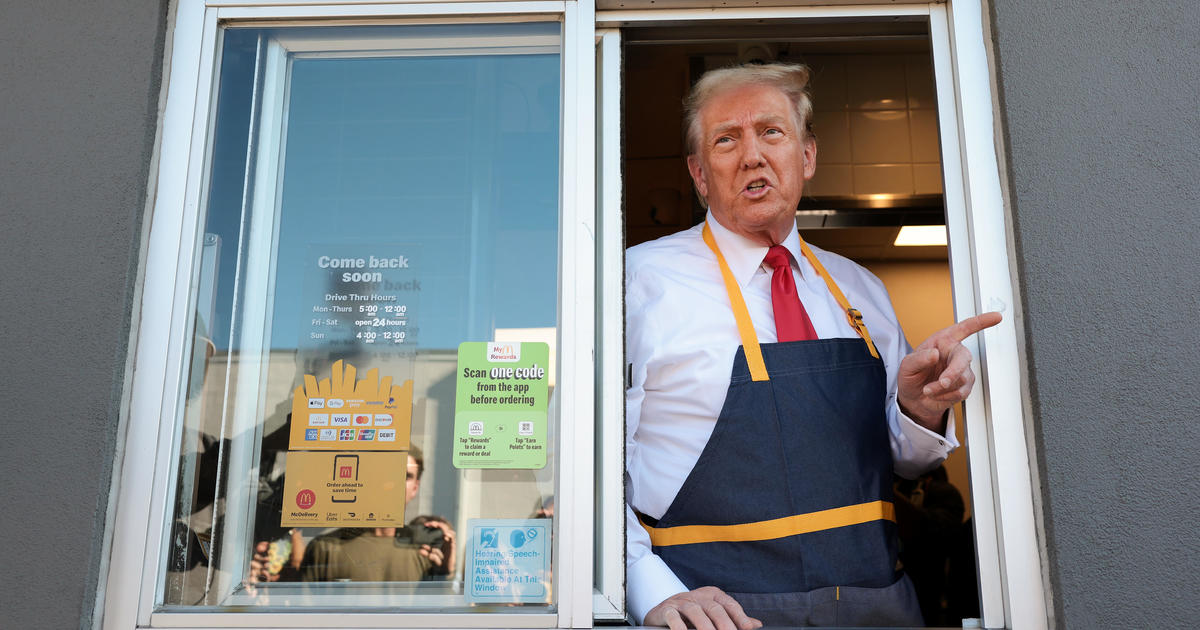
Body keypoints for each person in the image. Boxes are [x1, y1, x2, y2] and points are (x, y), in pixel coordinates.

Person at [624, 62, 1001, 629]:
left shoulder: (860, 289)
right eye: (727, 140)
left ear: (807, 157)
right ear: (699, 175)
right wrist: (644, 586)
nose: (752, 155)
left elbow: (900, 458)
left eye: (771, 133)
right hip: (720, 617)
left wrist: (921, 410)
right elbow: (585, 463)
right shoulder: (635, 283)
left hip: (878, 609)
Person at [249, 447, 456, 583]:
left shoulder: (426, 555)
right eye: (387, 472)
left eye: (405, 476)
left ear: (415, 487)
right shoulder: (326, 548)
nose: (393, 483)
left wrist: (446, 575)